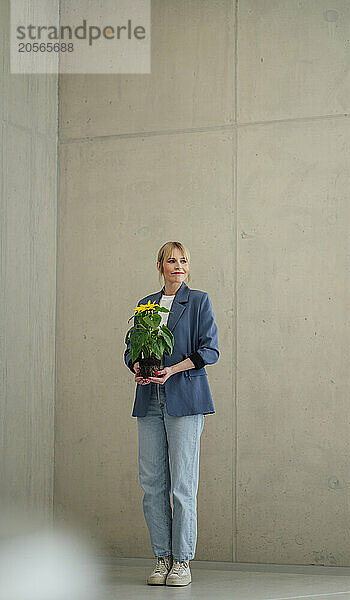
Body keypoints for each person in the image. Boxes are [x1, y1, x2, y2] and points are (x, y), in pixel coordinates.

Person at [123, 241, 219, 586]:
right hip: (149, 398)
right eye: (170, 260)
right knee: (152, 484)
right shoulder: (146, 304)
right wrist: (136, 363)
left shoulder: (198, 301)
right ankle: (161, 558)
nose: (177, 265)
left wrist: (173, 369)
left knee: (182, 485)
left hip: (185, 399)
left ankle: (182, 561)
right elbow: (131, 346)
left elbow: (210, 350)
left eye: (183, 261)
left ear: (188, 267)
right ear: (160, 266)